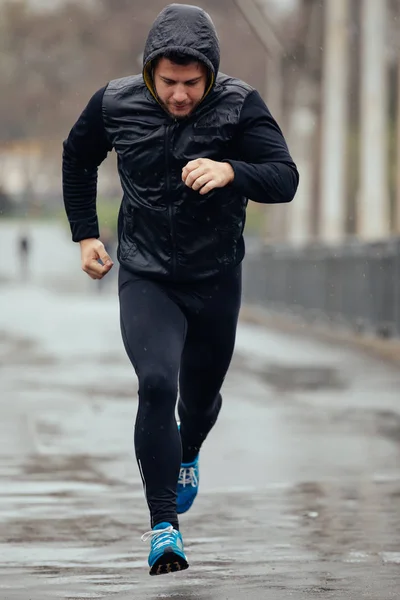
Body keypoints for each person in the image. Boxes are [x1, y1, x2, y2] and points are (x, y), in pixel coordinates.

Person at [62, 3, 299, 577]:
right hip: (146, 272)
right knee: (155, 383)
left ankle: (188, 449)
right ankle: (163, 526)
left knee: (199, 400)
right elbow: (78, 155)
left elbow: (285, 177)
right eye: (168, 82)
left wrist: (230, 170)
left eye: (192, 84)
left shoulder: (239, 104)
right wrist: (86, 234)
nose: (179, 95)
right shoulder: (115, 102)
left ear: (209, 74)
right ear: (150, 71)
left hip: (216, 274)